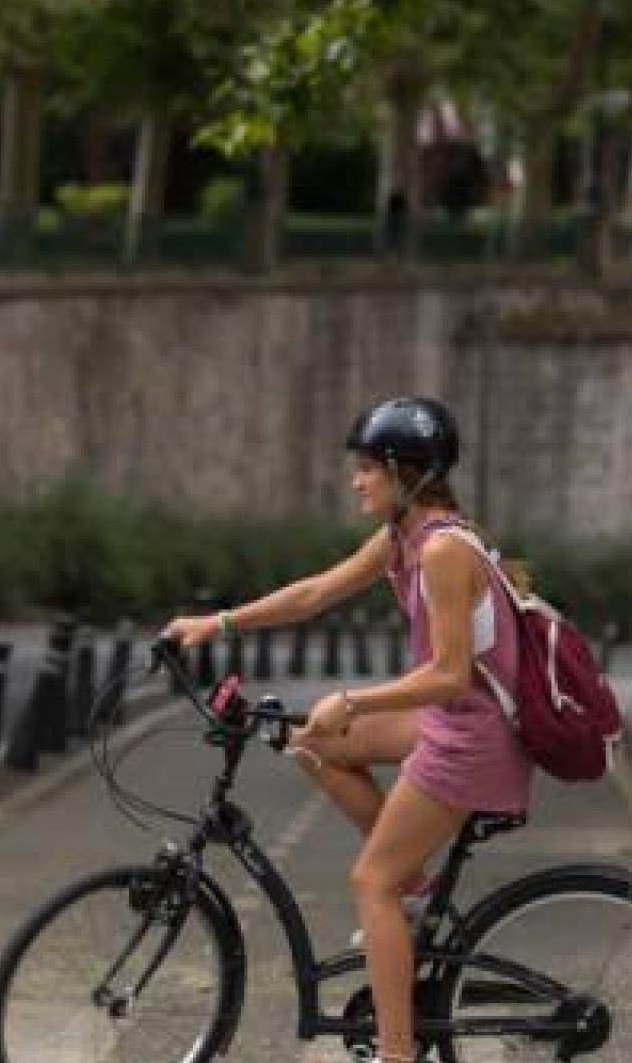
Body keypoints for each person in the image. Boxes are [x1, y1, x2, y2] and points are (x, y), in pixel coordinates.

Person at [164, 396, 530, 1063]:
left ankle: (397, 1052)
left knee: (371, 883)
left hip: (470, 736)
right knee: (310, 739)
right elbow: (314, 593)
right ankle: (417, 897)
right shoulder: (404, 538)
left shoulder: (445, 550)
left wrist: (354, 701)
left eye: (367, 468)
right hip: (448, 722)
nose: (355, 481)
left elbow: (449, 675)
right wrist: (216, 623)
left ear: (406, 472)